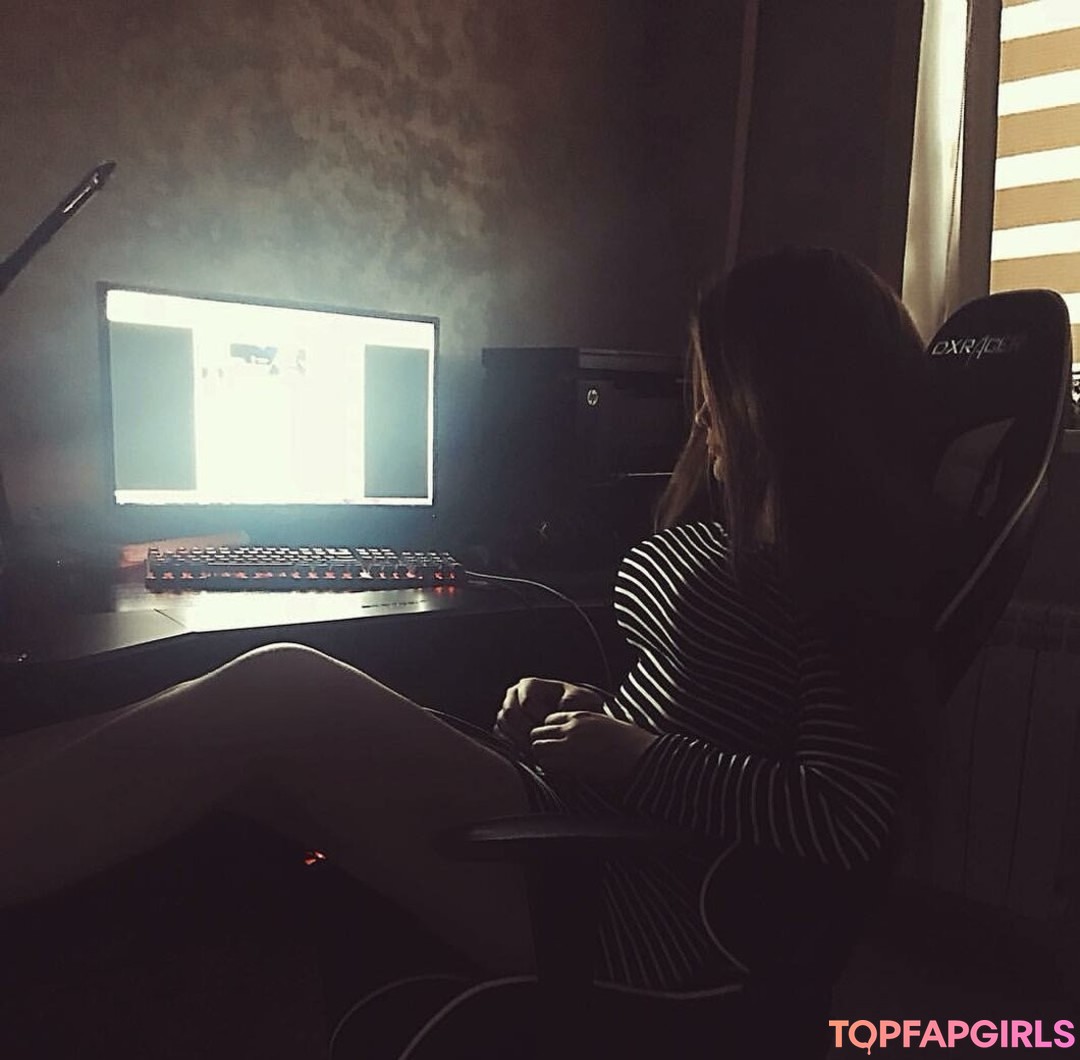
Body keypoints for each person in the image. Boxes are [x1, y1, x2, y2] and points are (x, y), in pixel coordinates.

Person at [0, 246, 937, 997]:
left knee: (279, 691)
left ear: (788, 403)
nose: (701, 420)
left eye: (717, 395)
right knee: (248, 728)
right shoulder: (774, 549)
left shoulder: (843, 583)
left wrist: (635, 756)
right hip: (582, 825)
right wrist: (595, 710)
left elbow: (846, 816)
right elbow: (725, 709)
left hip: (628, 903)